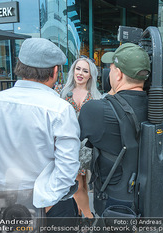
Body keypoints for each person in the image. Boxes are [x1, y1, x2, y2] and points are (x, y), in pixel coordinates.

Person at [0, 38, 80, 221]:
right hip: (49, 207)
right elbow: (67, 167)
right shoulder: (60, 110)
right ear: (55, 71)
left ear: (20, 66)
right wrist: (44, 202)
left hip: (1, 205)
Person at [78, 43, 150, 215]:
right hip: (147, 197)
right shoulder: (156, 108)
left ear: (118, 74)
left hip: (113, 202)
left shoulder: (96, 110)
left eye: (111, 68)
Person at [55, 56, 102, 218]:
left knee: (80, 184)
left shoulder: (96, 96)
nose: (80, 73)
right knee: (76, 184)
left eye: (85, 70)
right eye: (78, 69)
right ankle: (88, 218)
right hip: (67, 144)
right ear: (73, 71)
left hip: (86, 147)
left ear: (90, 75)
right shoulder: (61, 92)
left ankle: (84, 216)